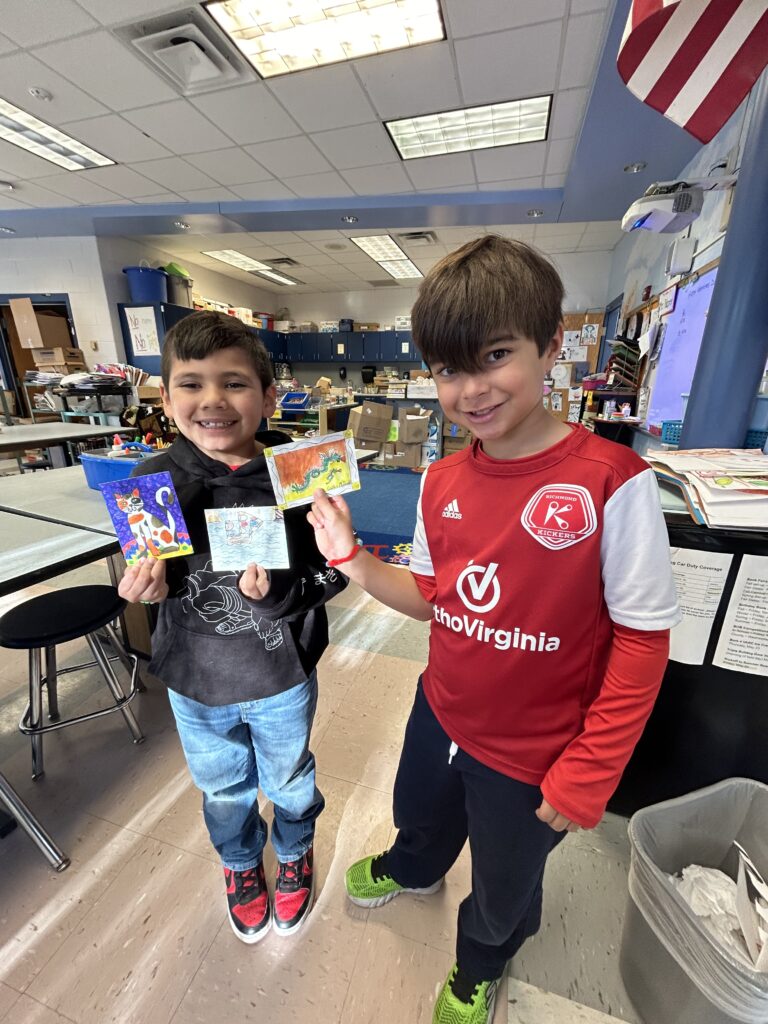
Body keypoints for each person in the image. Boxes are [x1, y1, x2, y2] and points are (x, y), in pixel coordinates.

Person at [308, 236, 680, 1024]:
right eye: (448, 369)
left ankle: (480, 964)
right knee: (420, 812)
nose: (471, 389)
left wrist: (590, 772)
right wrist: (352, 562)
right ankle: (413, 865)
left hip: (536, 750)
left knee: (507, 883)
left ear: (551, 349)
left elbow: (644, 645)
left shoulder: (614, 481)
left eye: (495, 357)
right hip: (440, 708)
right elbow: (441, 597)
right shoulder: (441, 479)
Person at [118, 311, 346, 944]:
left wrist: (281, 596)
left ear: (270, 396)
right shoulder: (150, 481)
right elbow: (154, 584)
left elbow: (338, 574)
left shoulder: (300, 477)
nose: (212, 400)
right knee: (222, 789)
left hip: (280, 675)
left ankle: (294, 849)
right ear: (165, 398)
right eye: (190, 384)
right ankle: (242, 865)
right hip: (195, 683)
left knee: (290, 780)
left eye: (234, 383)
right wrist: (146, 589)